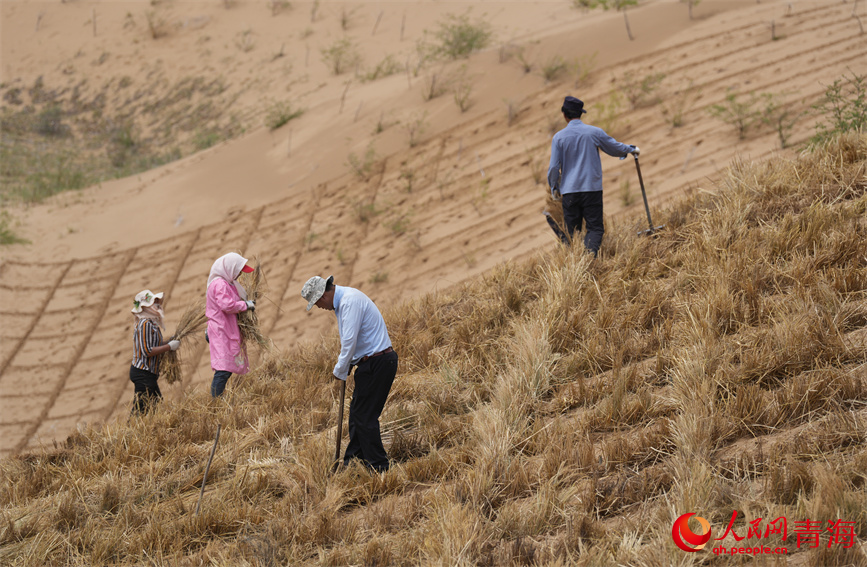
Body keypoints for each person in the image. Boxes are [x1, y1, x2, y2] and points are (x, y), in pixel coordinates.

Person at [301, 275, 397, 473]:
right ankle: (353, 462)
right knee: (357, 415)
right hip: (371, 363)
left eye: (317, 302)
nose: (319, 307)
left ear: (323, 295)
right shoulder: (344, 301)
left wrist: (340, 370)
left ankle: (379, 467)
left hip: (377, 362)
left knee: (364, 417)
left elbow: (349, 342)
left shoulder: (349, 301)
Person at [547, 95, 640, 255]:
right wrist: (631, 149)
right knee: (595, 229)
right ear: (580, 113)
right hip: (592, 189)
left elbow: (554, 167)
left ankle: (577, 265)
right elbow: (614, 147)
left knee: (572, 234)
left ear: (564, 115)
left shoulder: (558, 138)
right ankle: (589, 257)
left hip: (569, 192)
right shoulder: (594, 132)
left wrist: (554, 187)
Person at [206, 253, 255, 397]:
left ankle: (218, 398)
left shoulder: (227, 283)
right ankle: (215, 401)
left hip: (225, 329)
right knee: (223, 369)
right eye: (238, 270)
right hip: (221, 330)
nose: (239, 274)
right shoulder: (219, 284)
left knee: (226, 367)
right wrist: (245, 305)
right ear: (229, 268)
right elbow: (226, 305)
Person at [129, 290, 179, 414]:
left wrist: (169, 342)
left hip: (148, 373)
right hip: (143, 373)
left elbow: (153, 345)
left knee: (155, 403)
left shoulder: (151, 323)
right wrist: (169, 347)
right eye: (154, 303)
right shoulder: (145, 324)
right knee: (142, 408)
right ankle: (131, 430)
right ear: (145, 307)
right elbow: (147, 350)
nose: (158, 305)